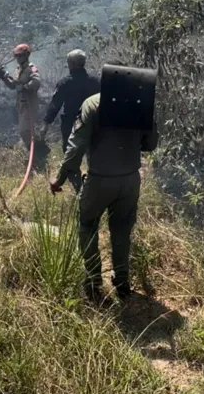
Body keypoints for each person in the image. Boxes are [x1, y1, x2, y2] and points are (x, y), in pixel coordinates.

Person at [49, 85, 158, 302]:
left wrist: (59, 178)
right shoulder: (140, 103)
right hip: (130, 181)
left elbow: (76, 146)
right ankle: (122, 281)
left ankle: (93, 281)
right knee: (122, 229)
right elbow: (151, 143)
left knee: (87, 226)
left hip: (99, 180)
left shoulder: (92, 103)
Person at [40, 49, 100, 191]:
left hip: (71, 126)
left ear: (72, 64)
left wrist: (46, 124)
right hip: (94, 125)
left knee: (71, 156)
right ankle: (93, 184)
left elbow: (55, 105)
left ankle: (78, 187)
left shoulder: (65, 83)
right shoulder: (96, 81)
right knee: (93, 155)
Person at [0, 44, 48, 166]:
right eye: (16, 56)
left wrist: (24, 87)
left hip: (30, 104)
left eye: (20, 56)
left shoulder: (31, 69)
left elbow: (36, 82)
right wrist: (3, 77)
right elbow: (13, 86)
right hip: (21, 105)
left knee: (24, 131)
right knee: (27, 132)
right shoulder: (18, 70)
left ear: (26, 55)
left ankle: (38, 155)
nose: (17, 58)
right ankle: (38, 154)